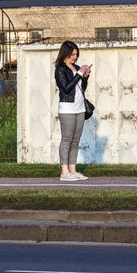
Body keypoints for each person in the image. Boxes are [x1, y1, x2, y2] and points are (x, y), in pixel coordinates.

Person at [54, 41, 92, 181]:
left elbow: (81, 88)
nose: (75, 57)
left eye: (76, 54)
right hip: (67, 109)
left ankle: (72, 170)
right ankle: (64, 172)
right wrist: (79, 74)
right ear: (65, 54)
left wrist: (85, 76)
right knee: (67, 139)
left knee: (75, 141)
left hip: (80, 108)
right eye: (73, 54)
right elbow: (66, 88)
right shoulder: (60, 69)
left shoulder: (76, 67)